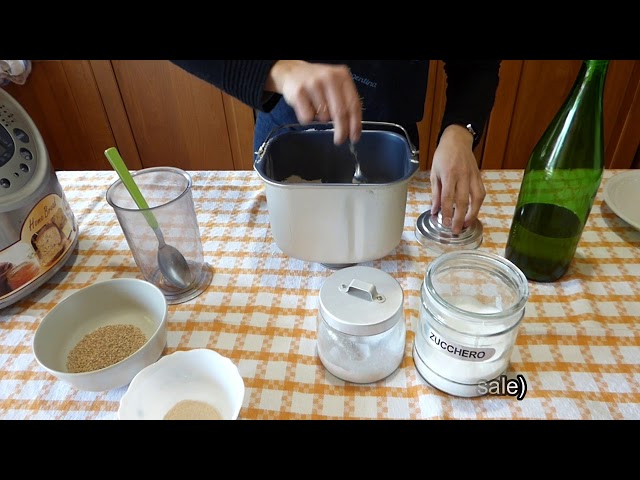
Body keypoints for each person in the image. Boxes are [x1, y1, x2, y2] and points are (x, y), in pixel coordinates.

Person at [170, 60, 501, 234]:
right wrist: (275, 68)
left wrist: (461, 129)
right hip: (290, 133)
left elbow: (476, 66)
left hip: (392, 147)